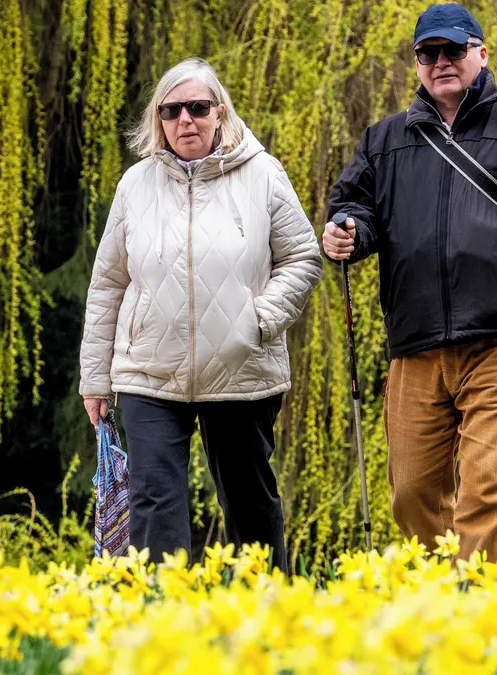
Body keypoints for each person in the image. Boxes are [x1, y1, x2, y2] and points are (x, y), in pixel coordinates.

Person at [323, 4, 497, 563]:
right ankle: (439, 605)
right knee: (413, 493)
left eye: (454, 50)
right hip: (416, 342)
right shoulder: (386, 139)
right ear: (418, 63)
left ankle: (484, 618)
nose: (442, 62)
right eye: (429, 53)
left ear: (481, 54)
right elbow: (355, 205)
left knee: (489, 490)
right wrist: (345, 232)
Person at [79, 57, 322, 571]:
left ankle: (267, 620)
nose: (184, 119)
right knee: (154, 502)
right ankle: (164, 624)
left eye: (197, 107)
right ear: (159, 120)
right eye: (171, 111)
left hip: (241, 368)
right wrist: (95, 379)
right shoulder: (135, 185)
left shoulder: (263, 174)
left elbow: (303, 256)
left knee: (249, 504)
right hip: (148, 371)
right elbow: (109, 283)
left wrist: (258, 321)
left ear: (220, 113)